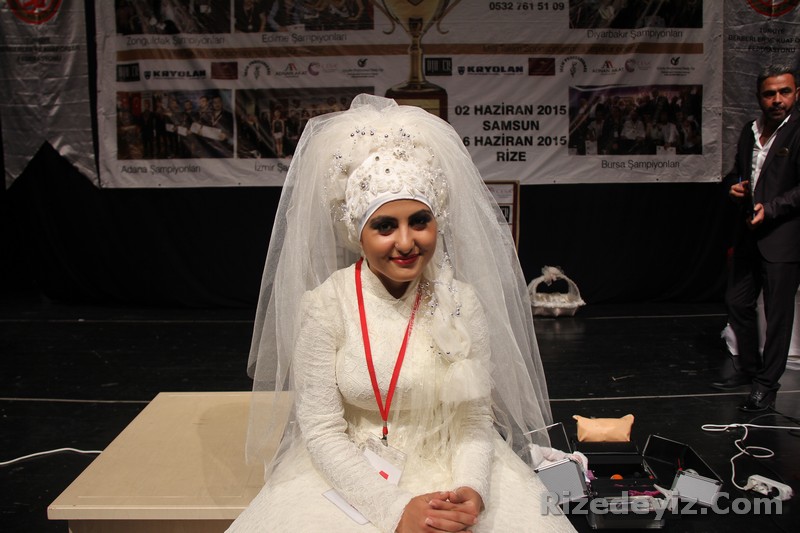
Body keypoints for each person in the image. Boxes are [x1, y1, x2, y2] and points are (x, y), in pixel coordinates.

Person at [229, 94, 580, 532]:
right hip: (353, 471)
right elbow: (320, 430)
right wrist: (394, 509)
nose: (406, 242)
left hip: (454, 464)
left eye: (419, 221)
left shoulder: (461, 301)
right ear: (358, 233)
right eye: (384, 226)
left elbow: (474, 421)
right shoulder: (325, 306)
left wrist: (472, 490)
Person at [714, 64, 800, 412]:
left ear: (796, 94)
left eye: (784, 92)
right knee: (737, 301)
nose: (777, 99)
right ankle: (748, 367)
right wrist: (734, 186)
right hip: (748, 231)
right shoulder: (750, 130)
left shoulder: (797, 131)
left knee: (778, 314)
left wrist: (772, 208)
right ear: (759, 97)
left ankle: (766, 385)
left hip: (782, 236)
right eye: (769, 93)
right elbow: (739, 171)